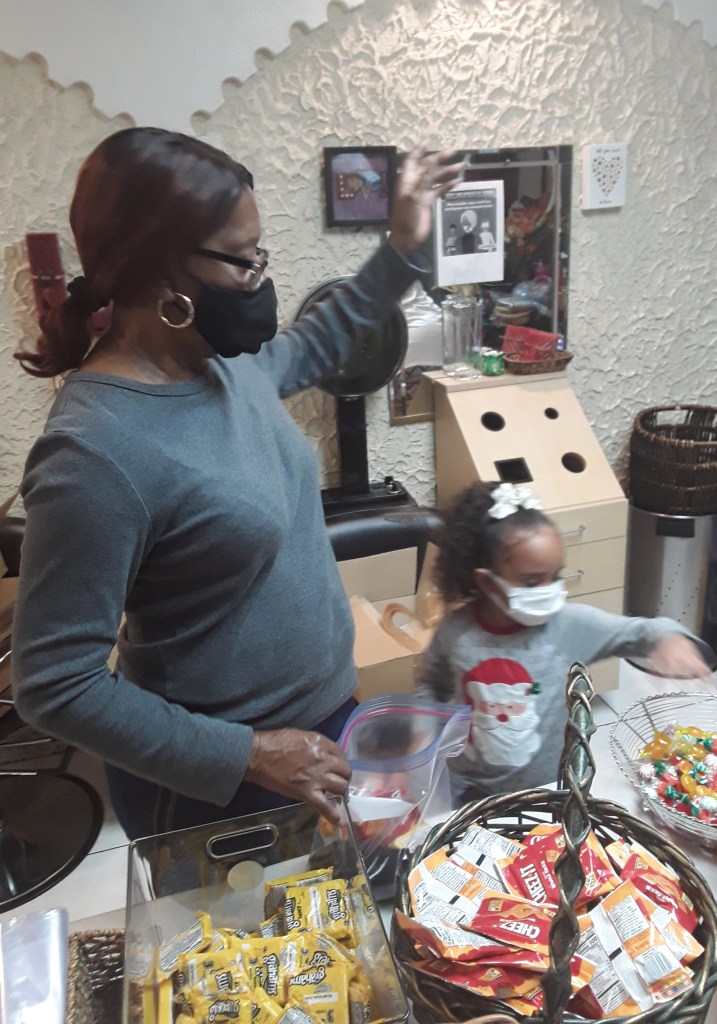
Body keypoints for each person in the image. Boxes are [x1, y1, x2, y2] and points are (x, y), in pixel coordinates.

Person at [11, 127, 462, 840]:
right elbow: (53, 683)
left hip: (322, 728)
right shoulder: (95, 453)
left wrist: (402, 246)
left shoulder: (221, 364)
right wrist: (251, 755)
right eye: (245, 260)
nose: (260, 278)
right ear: (163, 276)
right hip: (221, 785)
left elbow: (318, 340)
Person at [416, 481, 712, 802]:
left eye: (555, 576)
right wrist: (421, 731)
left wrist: (668, 640)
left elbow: (638, 632)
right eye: (532, 581)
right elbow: (430, 684)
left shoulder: (568, 626)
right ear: (487, 582)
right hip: (466, 786)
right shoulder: (455, 633)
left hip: (543, 787)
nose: (549, 590)